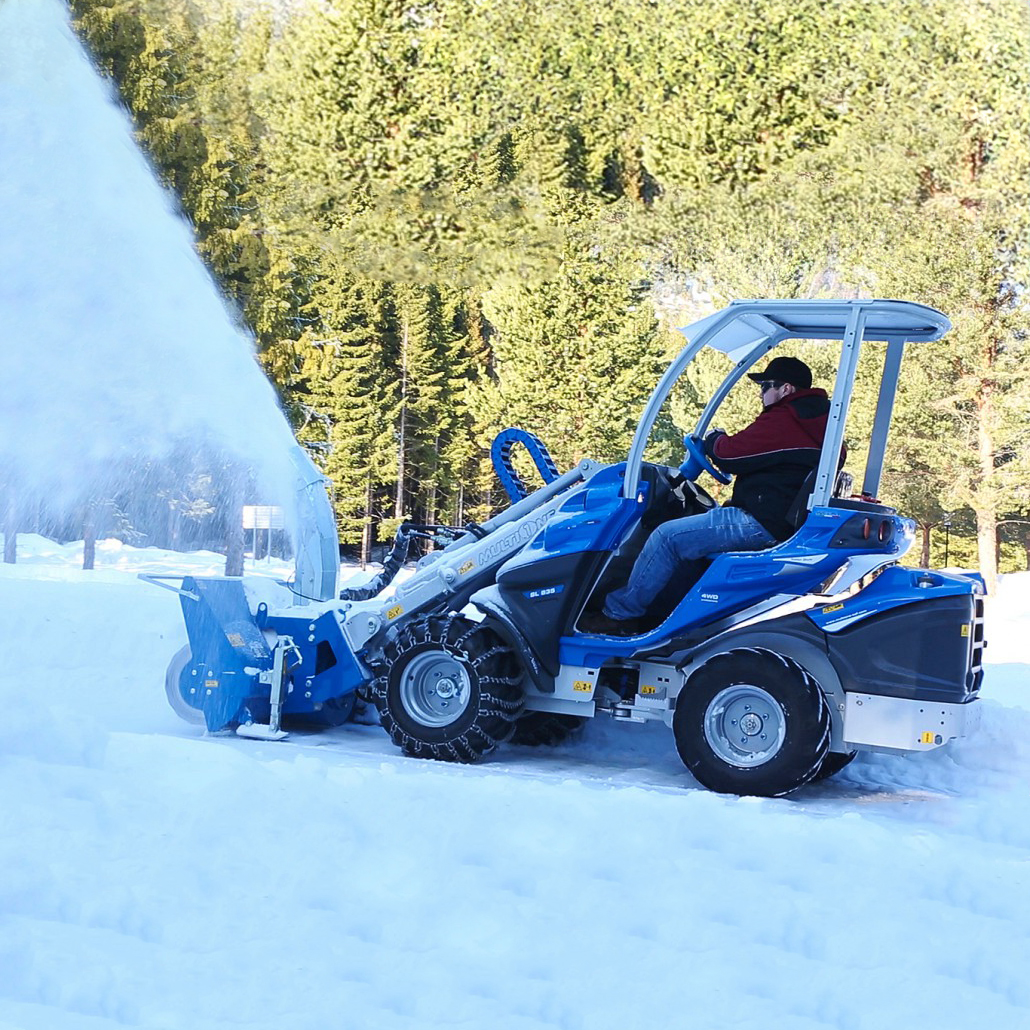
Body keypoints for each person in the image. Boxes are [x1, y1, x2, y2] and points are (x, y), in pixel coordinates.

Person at [581, 355, 833, 636]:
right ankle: (662, 617)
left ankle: (619, 616)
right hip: (781, 518)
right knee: (692, 534)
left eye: (765, 387)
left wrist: (713, 438)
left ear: (786, 389)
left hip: (758, 521)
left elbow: (728, 453)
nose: (761, 394)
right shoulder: (822, 424)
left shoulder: (787, 419)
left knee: (667, 538)